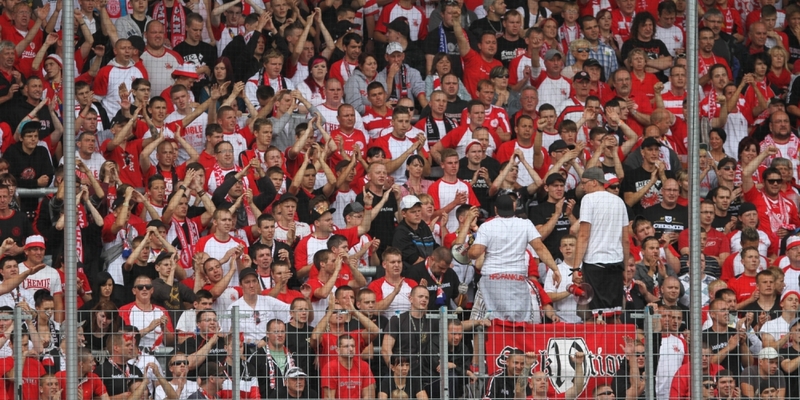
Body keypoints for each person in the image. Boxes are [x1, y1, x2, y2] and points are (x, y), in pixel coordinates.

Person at [468, 194, 561, 322]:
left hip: (492, 279)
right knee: (518, 322)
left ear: (495, 209)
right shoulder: (525, 224)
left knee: (479, 322)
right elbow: (540, 248)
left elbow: (475, 253)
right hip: (516, 279)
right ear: (514, 207)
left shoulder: (487, 226)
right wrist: (555, 269)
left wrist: (469, 250)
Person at [573, 167, 629, 318]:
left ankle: (597, 342)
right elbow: (625, 239)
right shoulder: (619, 202)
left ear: (594, 182)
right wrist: (625, 266)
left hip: (594, 264)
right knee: (614, 314)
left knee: (595, 315)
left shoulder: (588, 199)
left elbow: (583, 235)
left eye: (584, 183)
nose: (582, 187)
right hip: (616, 264)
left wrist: (575, 268)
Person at [321, 335, 376, 399]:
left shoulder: (363, 366)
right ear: (337, 350)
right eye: (346, 346)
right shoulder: (330, 367)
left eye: (353, 346)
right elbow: (329, 398)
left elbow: (369, 396)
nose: (351, 349)